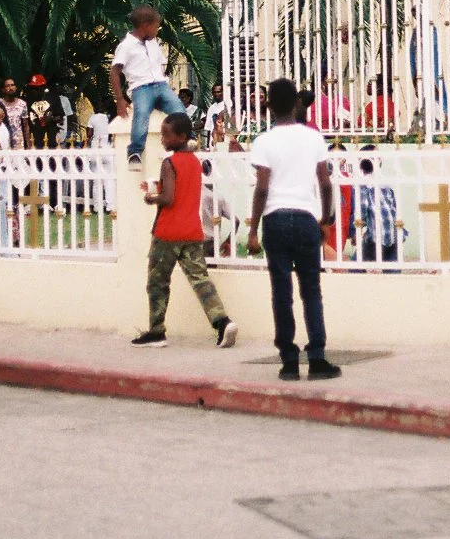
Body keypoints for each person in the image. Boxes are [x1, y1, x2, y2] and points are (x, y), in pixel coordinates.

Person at [246, 78, 341, 381]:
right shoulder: (313, 138)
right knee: (311, 291)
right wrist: (324, 220)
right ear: (297, 104)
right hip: (305, 218)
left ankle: (288, 361)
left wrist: (252, 230)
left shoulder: (264, 141)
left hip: (275, 219)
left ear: (268, 106)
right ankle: (317, 358)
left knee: (281, 293)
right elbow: (325, 183)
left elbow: (261, 189)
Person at [133, 112, 238, 349]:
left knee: (157, 282)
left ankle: (156, 331)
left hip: (168, 232)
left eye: (166, 135)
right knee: (200, 279)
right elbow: (183, 190)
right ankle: (222, 321)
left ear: (181, 137)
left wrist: (152, 198)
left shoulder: (169, 162)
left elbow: (169, 199)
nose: (162, 139)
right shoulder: (194, 162)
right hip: (192, 230)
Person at [110, 6, 185, 166]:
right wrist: (119, 99)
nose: (157, 31)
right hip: (141, 87)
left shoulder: (152, 44)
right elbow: (114, 72)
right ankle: (135, 152)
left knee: (179, 111)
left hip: (161, 85)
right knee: (141, 114)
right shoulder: (126, 46)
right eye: (156, 27)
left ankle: (187, 145)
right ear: (146, 25)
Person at [201, 83, 230, 149]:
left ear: (223, 92)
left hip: (224, 140)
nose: (216, 94)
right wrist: (206, 146)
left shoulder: (228, 105)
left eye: (218, 92)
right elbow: (207, 128)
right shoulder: (211, 108)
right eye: (214, 92)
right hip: (212, 142)